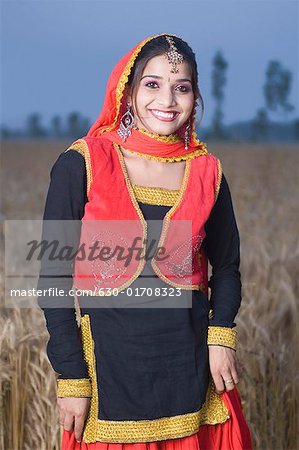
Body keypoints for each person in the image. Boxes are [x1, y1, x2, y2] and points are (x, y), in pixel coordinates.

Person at [38, 33, 253, 449]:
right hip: (110, 379)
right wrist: (70, 375)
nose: (168, 99)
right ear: (128, 91)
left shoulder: (207, 171)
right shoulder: (84, 162)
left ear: (195, 97)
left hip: (193, 376)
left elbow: (226, 267)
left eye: (182, 87)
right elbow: (53, 276)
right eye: (153, 84)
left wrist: (221, 336)